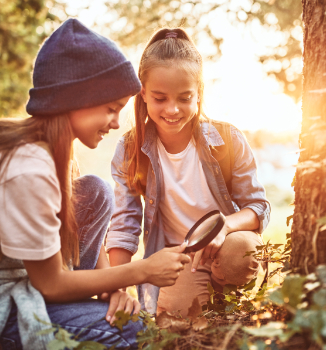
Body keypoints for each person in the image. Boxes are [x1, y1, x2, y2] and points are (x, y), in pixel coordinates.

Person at [0, 19, 190, 350]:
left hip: (13, 281)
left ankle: (95, 306)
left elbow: (72, 237)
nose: (116, 122)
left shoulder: (47, 149)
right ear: (74, 99)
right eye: (110, 109)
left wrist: (114, 290)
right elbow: (50, 284)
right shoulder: (28, 168)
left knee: (94, 191)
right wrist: (142, 271)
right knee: (131, 331)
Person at [106, 28, 270, 317]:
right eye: (159, 98)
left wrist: (224, 227)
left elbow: (258, 207)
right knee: (181, 321)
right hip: (180, 257)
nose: (172, 109)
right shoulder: (130, 149)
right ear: (143, 93)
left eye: (184, 98)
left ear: (199, 95)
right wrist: (117, 288)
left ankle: (229, 300)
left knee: (239, 256)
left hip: (229, 244)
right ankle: (206, 305)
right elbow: (124, 225)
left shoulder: (228, 139)